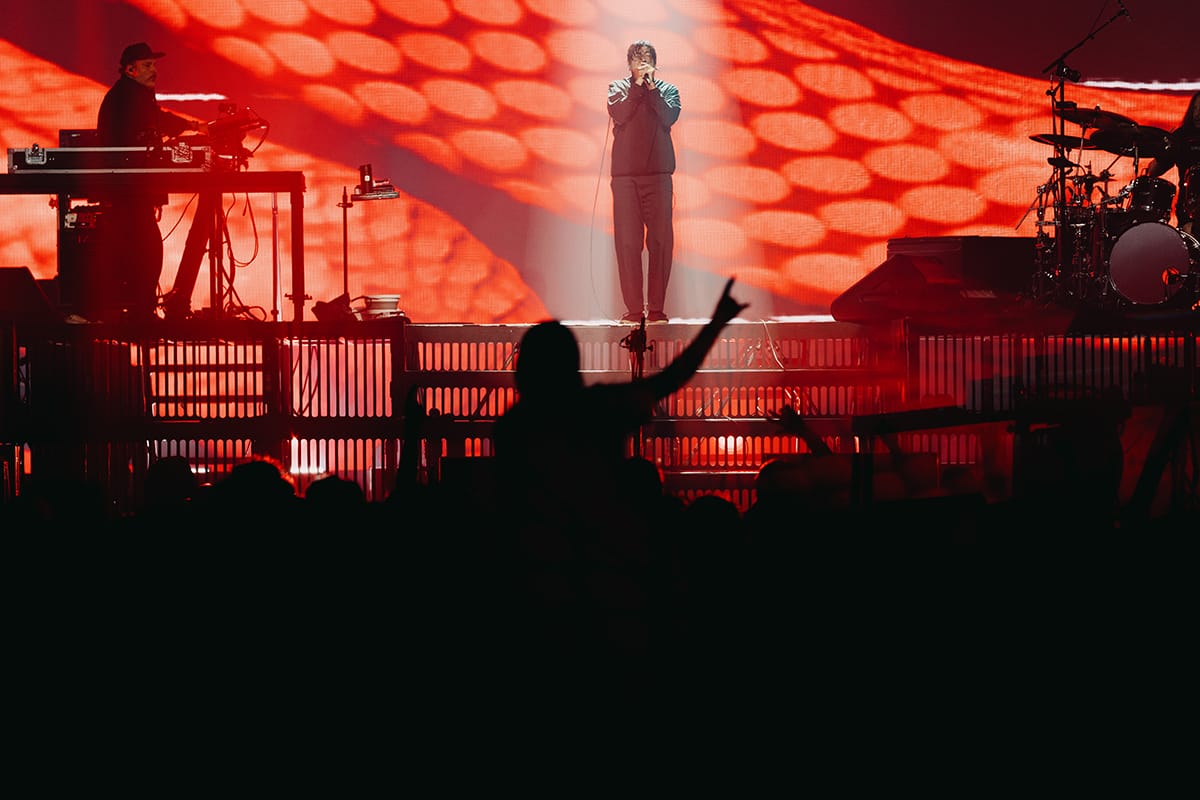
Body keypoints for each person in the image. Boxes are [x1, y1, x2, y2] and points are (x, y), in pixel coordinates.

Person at [491, 278, 746, 672]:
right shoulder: (597, 408)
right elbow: (670, 379)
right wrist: (716, 324)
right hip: (606, 579)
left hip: (536, 582)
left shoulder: (512, 428)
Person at [91, 42, 207, 323]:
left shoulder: (135, 94)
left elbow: (153, 124)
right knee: (146, 247)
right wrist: (192, 127)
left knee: (142, 245)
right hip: (127, 187)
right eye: (147, 65)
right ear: (130, 70)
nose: (154, 71)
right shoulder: (129, 96)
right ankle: (140, 313)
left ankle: (137, 310)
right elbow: (154, 122)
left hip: (131, 186)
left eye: (154, 65)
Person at [607, 40, 681, 324]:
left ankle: (657, 310)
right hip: (625, 180)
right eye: (637, 58)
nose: (642, 62)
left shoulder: (668, 91)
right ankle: (635, 310)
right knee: (628, 243)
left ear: (655, 63)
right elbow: (620, 114)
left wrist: (650, 90)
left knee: (661, 242)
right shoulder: (617, 89)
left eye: (647, 57)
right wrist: (637, 88)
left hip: (659, 178)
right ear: (629, 64)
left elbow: (668, 116)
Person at [1143, 90, 1200, 236]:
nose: (1197, 114)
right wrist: (1163, 148)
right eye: (1195, 108)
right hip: (1189, 210)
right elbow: (1154, 171)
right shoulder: (1181, 136)